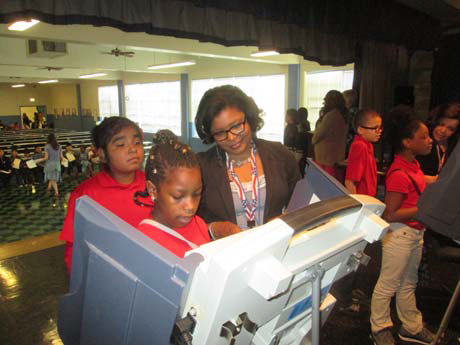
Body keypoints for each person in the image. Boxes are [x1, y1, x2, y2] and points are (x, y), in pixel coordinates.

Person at [195, 85, 301, 238]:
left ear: (249, 117)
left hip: (277, 246)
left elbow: (300, 202)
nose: (231, 138)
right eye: (219, 133)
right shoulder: (201, 167)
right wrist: (212, 228)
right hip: (225, 254)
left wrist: (288, 219)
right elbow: (186, 219)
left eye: (236, 126)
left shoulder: (280, 155)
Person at [370, 109, 435, 345]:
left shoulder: (413, 166)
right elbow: (390, 213)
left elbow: (423, 183)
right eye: (424, 136)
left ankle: (411, 325)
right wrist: (425, 207)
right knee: (388, 284)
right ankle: (379, 327)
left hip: (414, 234)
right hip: (399, 234)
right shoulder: (399, 173)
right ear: (408, 142)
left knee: (408, 284)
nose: (430, 140)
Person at [60, 117, 152, 272]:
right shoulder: (86, 195)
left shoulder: (153, 185)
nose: (132, 149)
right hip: (108, 274)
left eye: (137, 143)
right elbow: (75, 249)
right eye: (121, 144)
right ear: (102, 154)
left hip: (150, 269)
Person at [137, 130, 210, 258]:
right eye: (178, 197)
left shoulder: (199, 223)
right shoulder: (144, 242)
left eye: (196, 194)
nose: (190, 206)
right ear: (153, 190)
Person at [312, 90, 348, 183]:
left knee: (325, 184)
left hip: (327, 158)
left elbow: (319, 134)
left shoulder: (332, 115)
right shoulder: (341, 114)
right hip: (335, 156)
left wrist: (314, 139)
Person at [345, 109, 382, 195]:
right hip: (362, 200)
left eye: (380, 128)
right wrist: (358, 205)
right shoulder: (359, 146)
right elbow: (350, 182)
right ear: (360, 130)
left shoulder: (368, 145)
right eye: (375, 128)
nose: (379, 132)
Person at [417, 102, 460, 176]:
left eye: (450, 129)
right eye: (441, 124)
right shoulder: (421, 143)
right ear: (435, 121)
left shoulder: (454, 147)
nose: (443, 130)